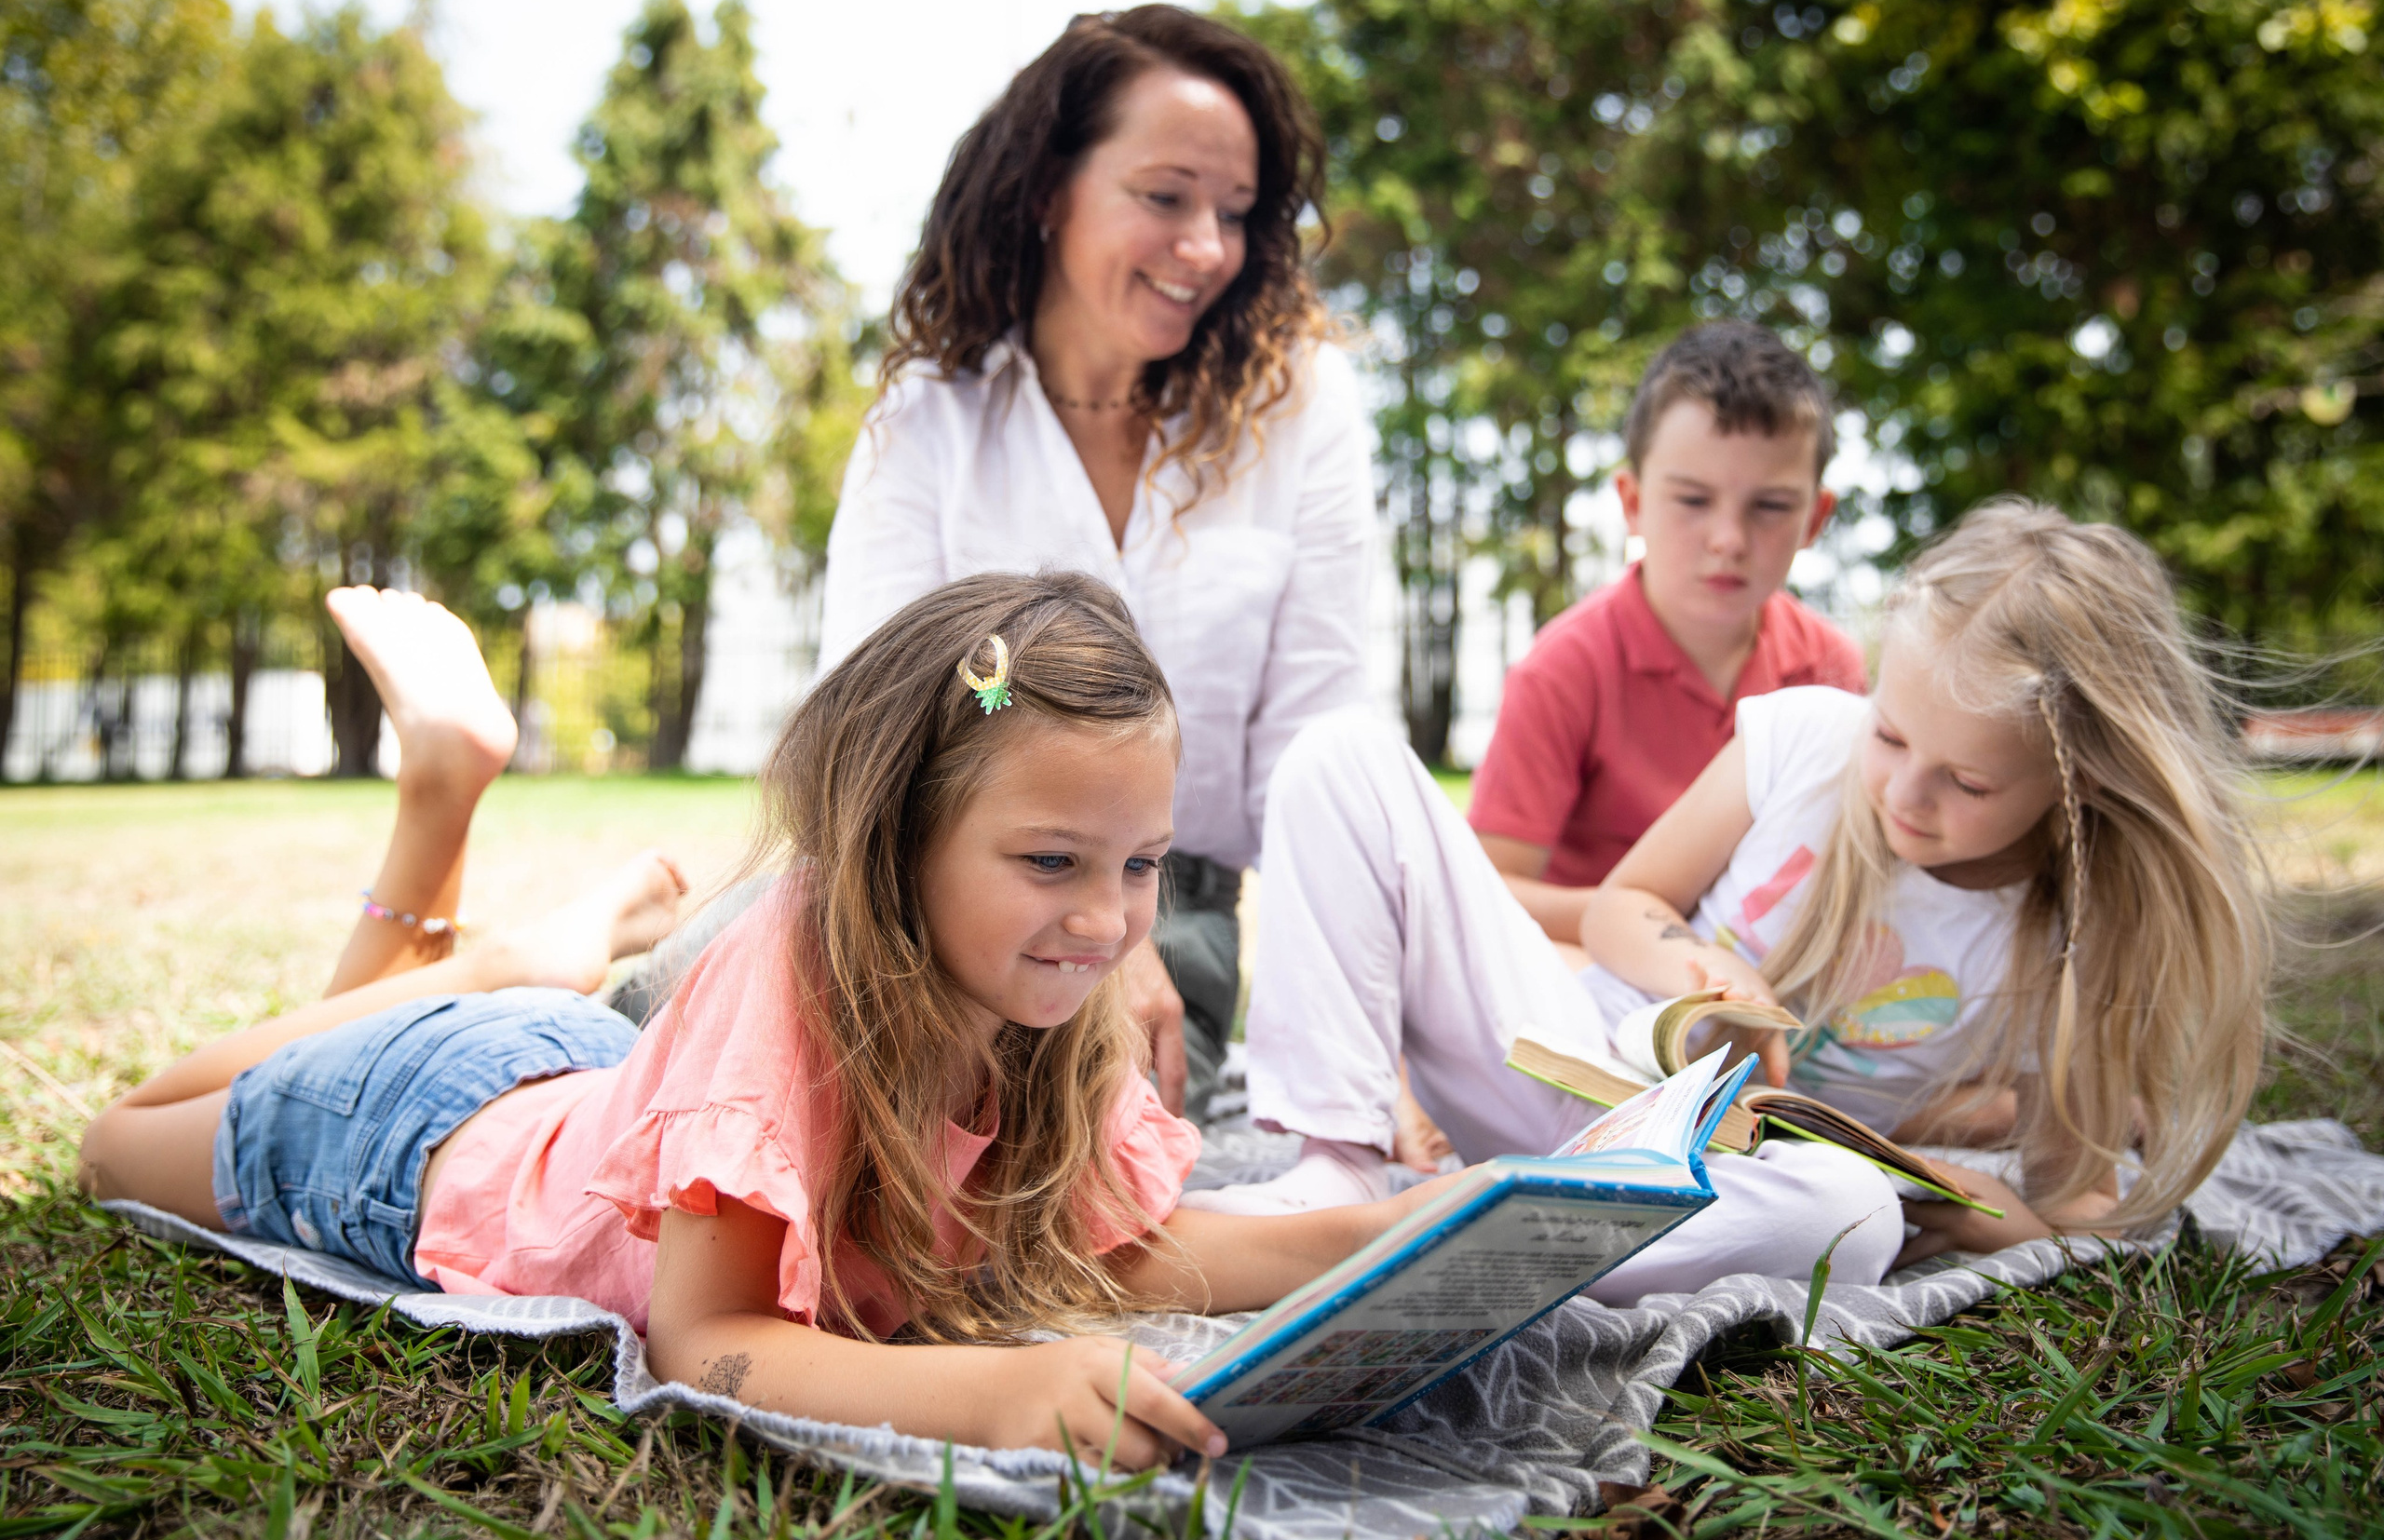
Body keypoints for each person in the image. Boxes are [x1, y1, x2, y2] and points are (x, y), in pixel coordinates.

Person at [79, 574, 1453, 1469]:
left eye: (1141, 861)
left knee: (443, 1033)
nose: (1107, 917)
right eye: (1053, 861)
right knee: (109, 1141)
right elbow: (706, 1336)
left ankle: (520, 971)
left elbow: (1116, 1245)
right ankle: (486, 929)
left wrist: (1368, 1231)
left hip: (599, 1089)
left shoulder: (1043, 1004)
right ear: (899, 840)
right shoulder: (797, 973)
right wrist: (998, 1393)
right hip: (419, 1131)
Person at [1201, 502, 2268, 1299]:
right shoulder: (1806, 739)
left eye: (1970, 782)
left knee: (1853, 1223)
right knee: (1339, 755)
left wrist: (1997, 1219)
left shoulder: (2063, 940)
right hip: (1568, 1054)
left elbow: (2078, 1197)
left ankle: (1487, 1231)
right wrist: (1698, 972)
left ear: (2073, 790)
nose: (1903, 793)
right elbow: (1627, 905)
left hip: (1717, 1180)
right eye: (1891, 736)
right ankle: (1336, 1176)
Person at [819, 6, 1374, 1122]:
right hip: (933, 901)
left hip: (1183, 916)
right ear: (1045, 189)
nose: (1206, 247)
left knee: (1039, 1147)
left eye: (1234, 211)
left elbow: (1323, 761)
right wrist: (1081, 925)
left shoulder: (1303, 410)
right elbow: (862, 735)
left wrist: (1363, 1057)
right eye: (1164, 197)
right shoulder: (931, 422)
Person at [1470, 321, 1865, 952]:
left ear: (1816, 517)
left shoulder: (1830, 668)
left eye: (1769, 506)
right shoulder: (1565, 667)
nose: (1728, 539)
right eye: (1692, 499)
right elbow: (1489, 888)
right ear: (1631, 501)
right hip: (1594, 986)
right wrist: (1661, 929)